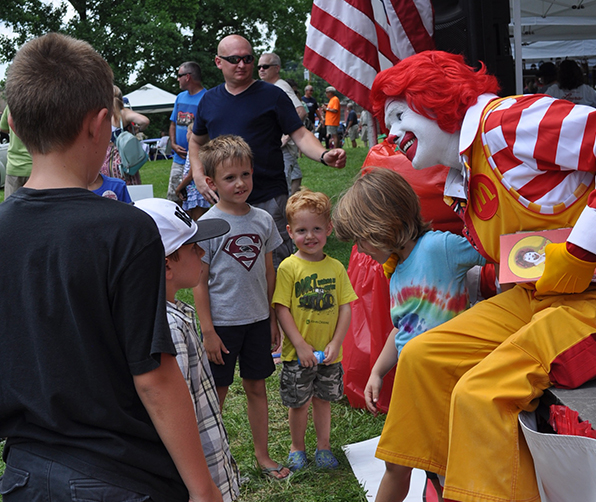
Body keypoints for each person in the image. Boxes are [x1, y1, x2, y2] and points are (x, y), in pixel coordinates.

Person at [368, 50, 596, 502]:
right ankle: (438, 483)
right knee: (423, 357)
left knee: (482, 392)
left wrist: (583, 250)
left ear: (434, 98)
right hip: (545, 296)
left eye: (398, 114)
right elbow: (516, 258)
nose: (391, 134)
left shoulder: (505, 123)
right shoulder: (461, 175)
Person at [0, 33, 222, 502]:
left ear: (14, 126)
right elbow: (154, 377)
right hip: (120, 478)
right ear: (102, 124)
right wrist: (204, 491)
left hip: (24, 476)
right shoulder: (126, 230)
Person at [332, 168, 485, 501]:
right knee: (397, 465)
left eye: (363, 238)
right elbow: (403, 328)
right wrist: (377, 371)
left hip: (446, 382)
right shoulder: (397, 270)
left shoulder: (438, 249)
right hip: (412, 382)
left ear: (388, 223)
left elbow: (492, 252)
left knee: (444, 467)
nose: (359, 249)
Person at [189, 34, 346, 270]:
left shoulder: (272, 95)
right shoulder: (209, 100)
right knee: (233, 268)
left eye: (247, 58)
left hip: (269, 199)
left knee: (277, 268)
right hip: (227, 202)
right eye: (233, 59)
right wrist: (199, 176)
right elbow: (196, 141)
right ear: (218, 62)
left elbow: (300, 134)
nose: (242, 65)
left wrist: (324, 155)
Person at [192, 134, 291, 480]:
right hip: (222, 325)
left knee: (257, 388)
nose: (240, 183)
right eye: (230, 177)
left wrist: (272, 321)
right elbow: (199, 282)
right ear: (211, 182)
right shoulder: (207, 225)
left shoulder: (263, 220)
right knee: (215, 395)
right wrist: (208, 331)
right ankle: (212, 461)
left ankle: (262, 456)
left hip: (257, 321)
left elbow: (268, 271)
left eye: (245, 175)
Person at [134, 198, 241, 501]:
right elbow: (175, 414)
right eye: (193, 248)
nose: (203, 252)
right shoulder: (167, 329)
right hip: (198, 483)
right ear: (167, 264)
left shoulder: (166, 314)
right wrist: (203, 488)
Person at [272, 189, 357, 471]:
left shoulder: (335, 268)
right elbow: (281, 309)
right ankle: (297, 448)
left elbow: (345, 307)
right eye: (301, 230)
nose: (310, 236)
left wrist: (336, 343)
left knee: (323, 400)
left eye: (317, 228)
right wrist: (299, 345)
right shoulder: (288, 267)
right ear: (289, 231)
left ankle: (324, 447)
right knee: (299, 402)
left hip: (329, 354)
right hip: (298, 354)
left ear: (328, 229)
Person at [258, 52, 306, 196]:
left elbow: (301, 111)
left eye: (265, 66)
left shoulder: (281, 87)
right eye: (259, 66)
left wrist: (286, 137)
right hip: (283, 148)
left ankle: (286, 213)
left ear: (277, 68)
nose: (261, 70)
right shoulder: (271, 87)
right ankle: (294, 202)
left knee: (281, 184)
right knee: (296, 175)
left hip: (282, 148)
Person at [167, 61, 207, 203]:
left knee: (193, 201)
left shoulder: (206, 98)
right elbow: (173, 123)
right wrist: (173, 143)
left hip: (197, 159)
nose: (178, 79)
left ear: (188, 77)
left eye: (179, 75)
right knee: (173, 198)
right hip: (178, 159)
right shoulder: (180, 97)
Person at [109, 85, 150, 185]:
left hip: (107, 159)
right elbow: (145, 121)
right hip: (124, 159)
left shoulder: (103, 114)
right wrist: (137, 129)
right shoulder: (123, 113)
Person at [176, 124, 211, 221]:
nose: (186, 135)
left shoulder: (197, 152)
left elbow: (190, 175)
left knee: (199, 220)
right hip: (190, 192)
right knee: (190, 220)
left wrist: (178, 189)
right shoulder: (190, 152)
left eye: (187, 132)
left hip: (197, 193)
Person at [0, 106, 32, 198]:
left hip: (15, 167)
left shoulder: (12, 105)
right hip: (36, 168)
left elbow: (3, 127)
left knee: (11, 209)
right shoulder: (42, 103)